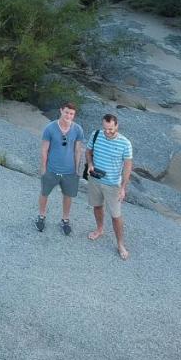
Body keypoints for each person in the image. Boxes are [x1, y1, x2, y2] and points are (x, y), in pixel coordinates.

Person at [86, 113, 134, 260]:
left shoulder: (125, 143)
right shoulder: (96, 135)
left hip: (113, 185)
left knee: (116, 215)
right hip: (95, 179)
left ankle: (120, 244)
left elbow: (127, 167)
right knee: (97, 206)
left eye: (111, 129)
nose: (107, 132)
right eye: (105, 128)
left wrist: (123, 187)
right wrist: (90, 164)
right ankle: (100, 229)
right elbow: (88, 151)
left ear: (117, 125)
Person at [37, 102, 84, 235]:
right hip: (52, 168)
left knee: (68, 196)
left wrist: (77, 169)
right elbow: (44, 149)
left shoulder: (77, 129)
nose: (69, 115)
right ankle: (41, 216)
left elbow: (77, 150)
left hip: (70, 171)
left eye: (72, 114)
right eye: (67, 112)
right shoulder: (50, 128)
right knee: (44, 193)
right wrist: (43, 168)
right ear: (61, 111)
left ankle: (65, 219)